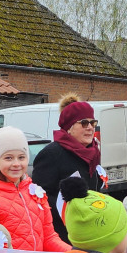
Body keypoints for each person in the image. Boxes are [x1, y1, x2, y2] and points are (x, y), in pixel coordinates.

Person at [31, 94, 105, 241]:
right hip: (62, 234)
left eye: (93, 123)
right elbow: (40, 197)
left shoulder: (93, 152)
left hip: (88, 228)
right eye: (84, 123)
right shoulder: (51, 154)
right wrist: (72, 210)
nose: (90, 127)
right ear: (69, 128)